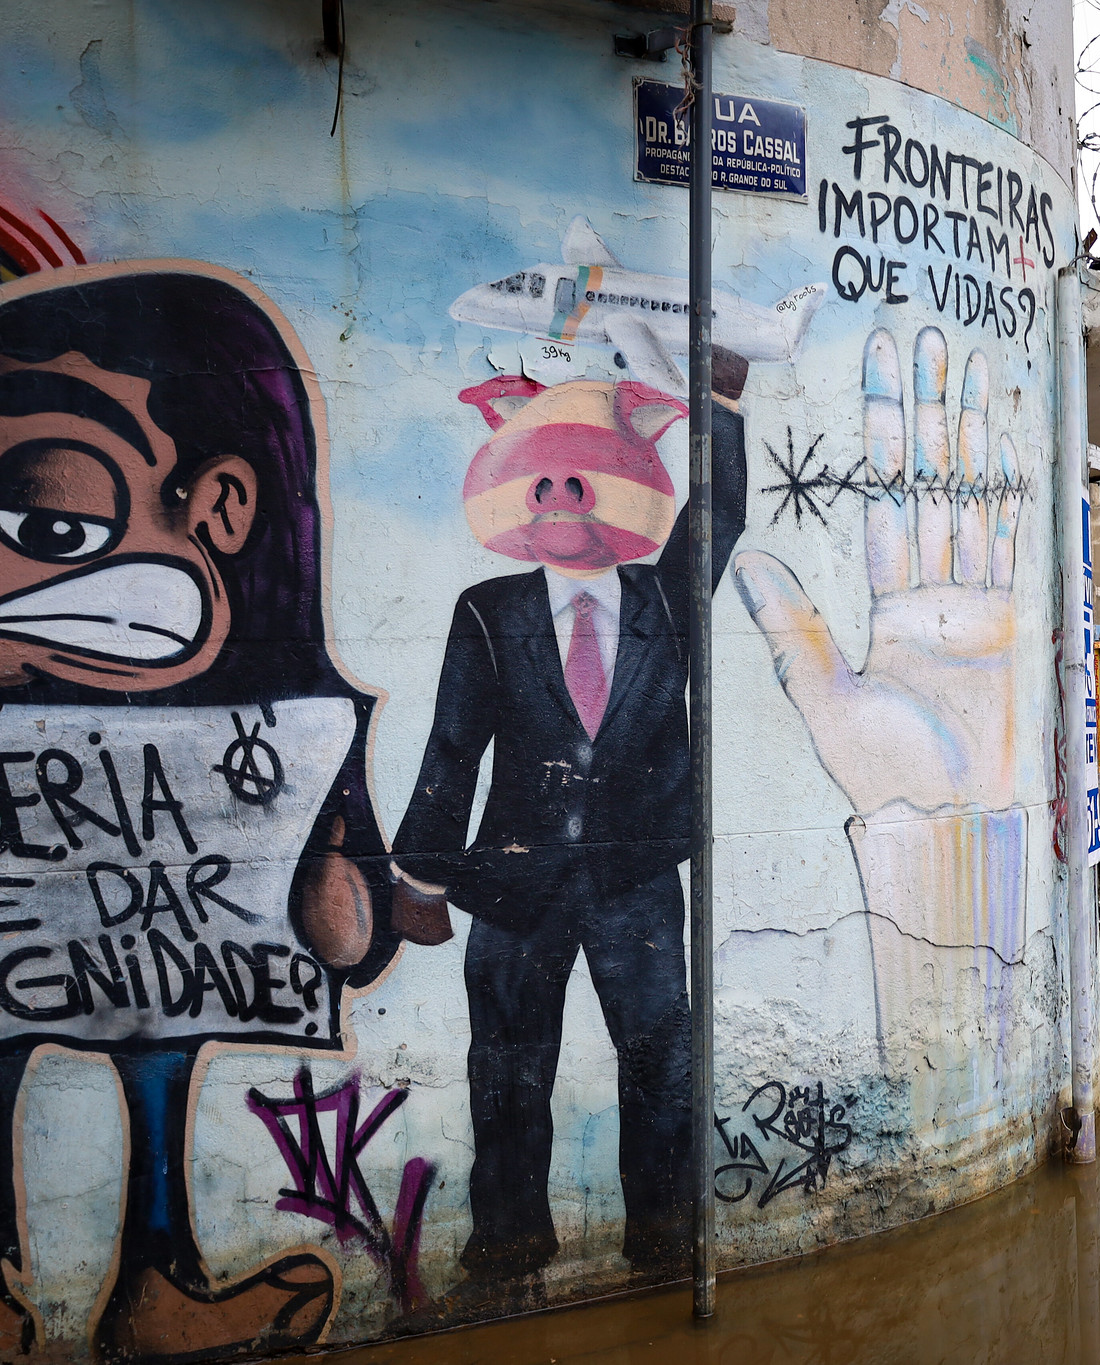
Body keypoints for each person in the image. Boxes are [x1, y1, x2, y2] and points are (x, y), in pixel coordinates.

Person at [0, 263, 400, 1364]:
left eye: (50, 521)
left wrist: (337, 889)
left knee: (159, 1031)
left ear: (222, 510)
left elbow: (341, 930)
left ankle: (149, 1278)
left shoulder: (261, 744)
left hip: (134, 948)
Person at [391, 349, 749, 1286]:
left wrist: (721, 403)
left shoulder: (665, 601)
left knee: (661, 1062)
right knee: (508, 1069)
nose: (561, 500)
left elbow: (718, 518)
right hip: (514, 884)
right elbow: (453, 745)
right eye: (543, 484)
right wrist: (421, 874)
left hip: (635, 879)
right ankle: (509, 1240)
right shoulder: (488, 611)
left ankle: (664, 1238)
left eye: (580, 483)